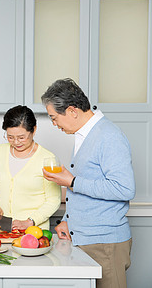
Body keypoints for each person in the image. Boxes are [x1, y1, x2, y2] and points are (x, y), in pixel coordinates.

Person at [41, 78, 135, 288]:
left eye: (54, 118)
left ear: (73, 111)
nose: (54, 125)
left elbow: (124, 188)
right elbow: (86, 189)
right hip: (86, 241)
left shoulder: (108, 136)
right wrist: (68, 220)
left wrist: (72, 181)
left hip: (105, 244)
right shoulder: (85, 135)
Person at [0, 105, 61, 231]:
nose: (16, 142)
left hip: (34, 232)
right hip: (2, 231)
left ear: (33, 130)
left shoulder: (47, 158)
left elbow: (53, 200)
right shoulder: (0, 151)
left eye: (21, 137)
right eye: (10, 137)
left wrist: (30, 221)